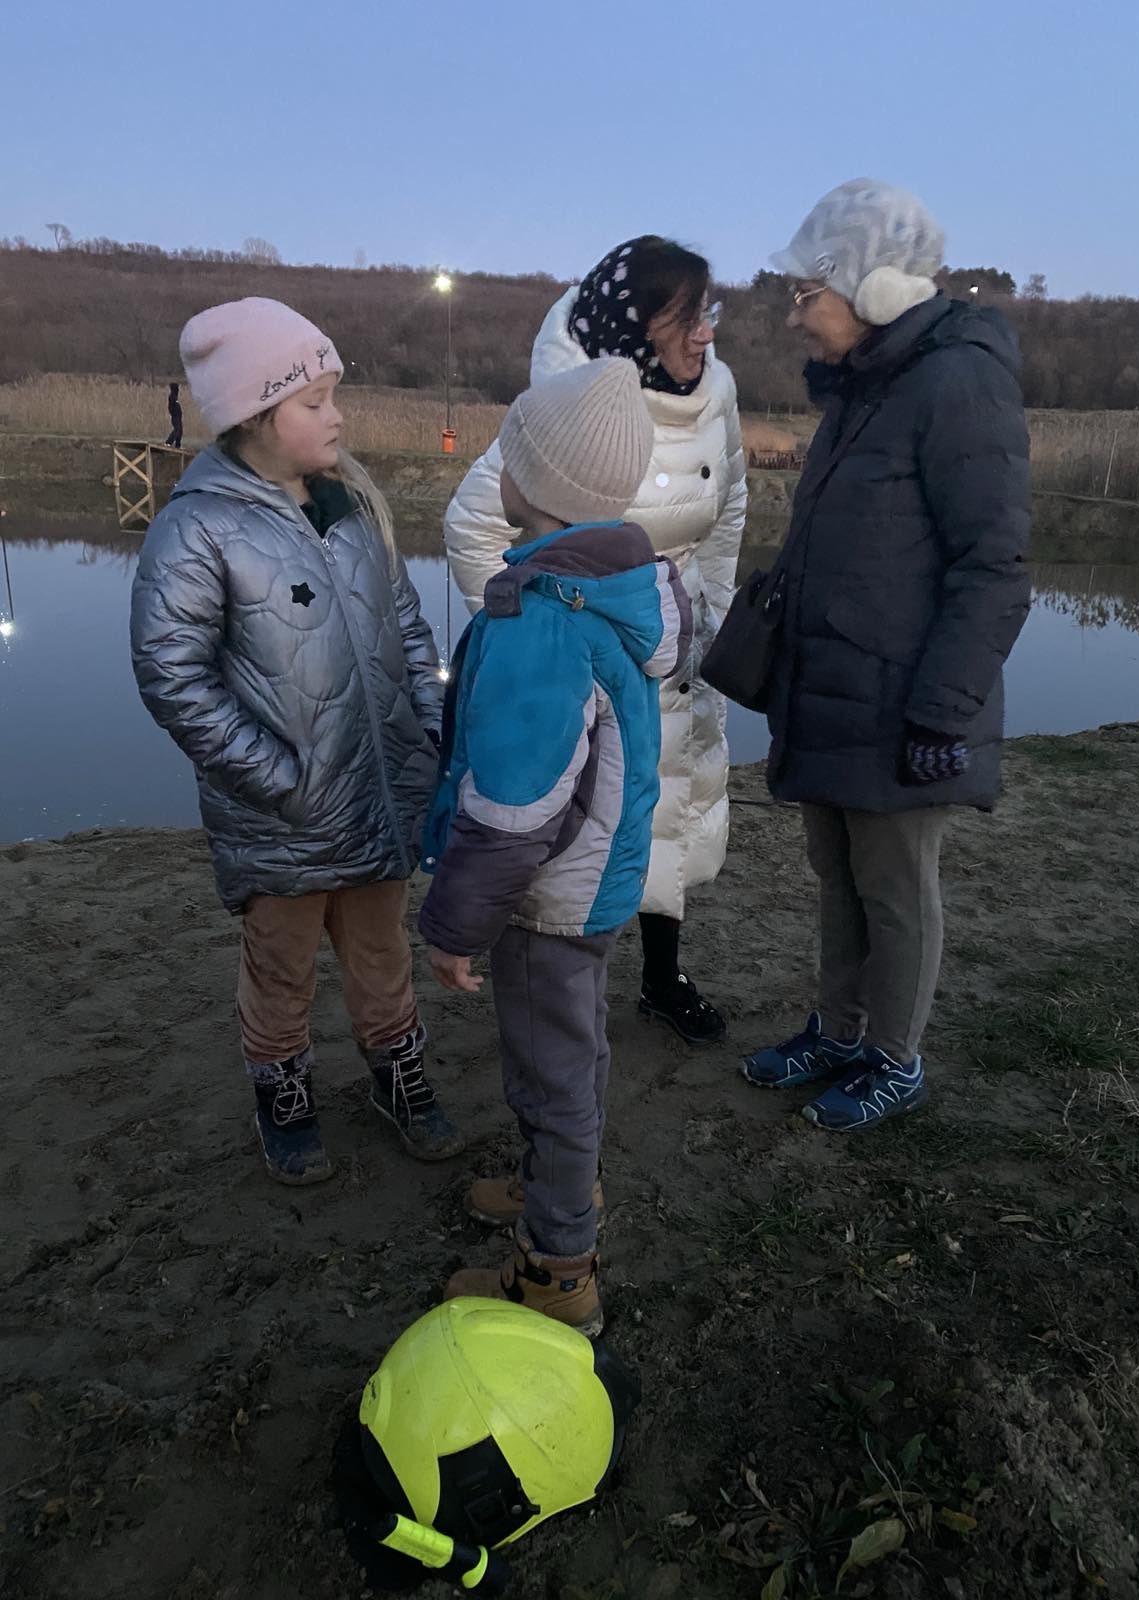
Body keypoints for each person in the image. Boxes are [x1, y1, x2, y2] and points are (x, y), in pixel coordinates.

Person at [131, 297, 463, 1184]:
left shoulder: (354, 507)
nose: (337, 416)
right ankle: (283, 1092)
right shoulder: (197, 528)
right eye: (314, 401)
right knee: (280, 965)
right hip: (282, 812)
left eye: (333, 396)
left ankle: (397, 1073)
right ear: (255, 414)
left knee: (382, 951)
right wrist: (279, 777)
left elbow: (404, 621)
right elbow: (173, 674)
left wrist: (427, 731)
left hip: (381, 792)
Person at [740, 179, 1032, 1131]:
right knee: (838, 873)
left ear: (869, 287)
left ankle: (894, 1057)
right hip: (833, 688)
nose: (795, 316)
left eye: (804, 293)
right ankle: (840, 1026)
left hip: (904, 700)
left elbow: (993, 566)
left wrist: (944, 711)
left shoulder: (958, 381)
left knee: (895, 890)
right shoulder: (869, 389)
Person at [419, 356, 692, 1334]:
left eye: (510, 447)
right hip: (591, 881)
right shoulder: (607, 587)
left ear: (525, 481)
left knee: (552, 1067)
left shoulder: (545, 620)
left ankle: (557, 1266)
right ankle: (556, 1188)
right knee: (565, 1055)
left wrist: (453, 924)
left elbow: (513, 809)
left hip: (547, 897)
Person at [443, 237, 745, 1044]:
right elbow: (472, 526)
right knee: (593, 831)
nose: (705, 335)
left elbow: (733, 503)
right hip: (600, 659)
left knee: (666, 817)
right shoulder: (570, 407)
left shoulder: (716, 393)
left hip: (668, 643)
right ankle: (574, 1000)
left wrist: (703, 612)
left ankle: (663, 977)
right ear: (631, 323)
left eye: (708, 313)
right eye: (685, 319)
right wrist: (544, 640)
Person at [166, 381, 184, 448]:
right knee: (177, 429)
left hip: (178, 417)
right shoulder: (172, 396)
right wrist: (174, 413)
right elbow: (170, 407)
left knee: (180, 431)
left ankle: (178, 445)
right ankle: (168, 442)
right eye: (177, 388)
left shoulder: (175, 397)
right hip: (175, 417)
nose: (178, 390)